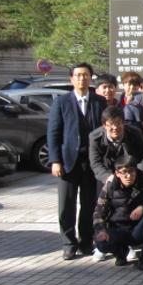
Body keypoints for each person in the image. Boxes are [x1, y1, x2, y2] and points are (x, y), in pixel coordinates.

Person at [47, 63, 107, 260]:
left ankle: (86, 241)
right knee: (67, 205)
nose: (82, 79)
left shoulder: (99, 101)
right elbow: (53, 134)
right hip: (68, 162)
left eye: (86, 75)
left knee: (89, 204)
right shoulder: (61, 102)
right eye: (78, 75)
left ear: (91, 78)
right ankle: (68, 243)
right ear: (71, 79)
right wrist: (55, 160)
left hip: (92, 163)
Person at [92, 155, 143, 271]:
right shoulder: (110, 186)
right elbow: (98, 212)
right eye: (124, 172)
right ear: (117, 173)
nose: (128, 176)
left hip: (138, 228)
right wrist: (101, 230)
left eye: (131, 171)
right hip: (118, 228)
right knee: (102, 242)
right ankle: (120, 253)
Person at [88, 106, 143, 190]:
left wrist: (135, 173)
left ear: (123, 122)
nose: (115, 127)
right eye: (111, 124)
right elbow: (95, 163)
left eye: (118, 123)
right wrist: (107, 177)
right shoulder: (95, 137)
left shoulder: (135, 133)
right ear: (104, 125)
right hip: (108, 176)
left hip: (132, 175)